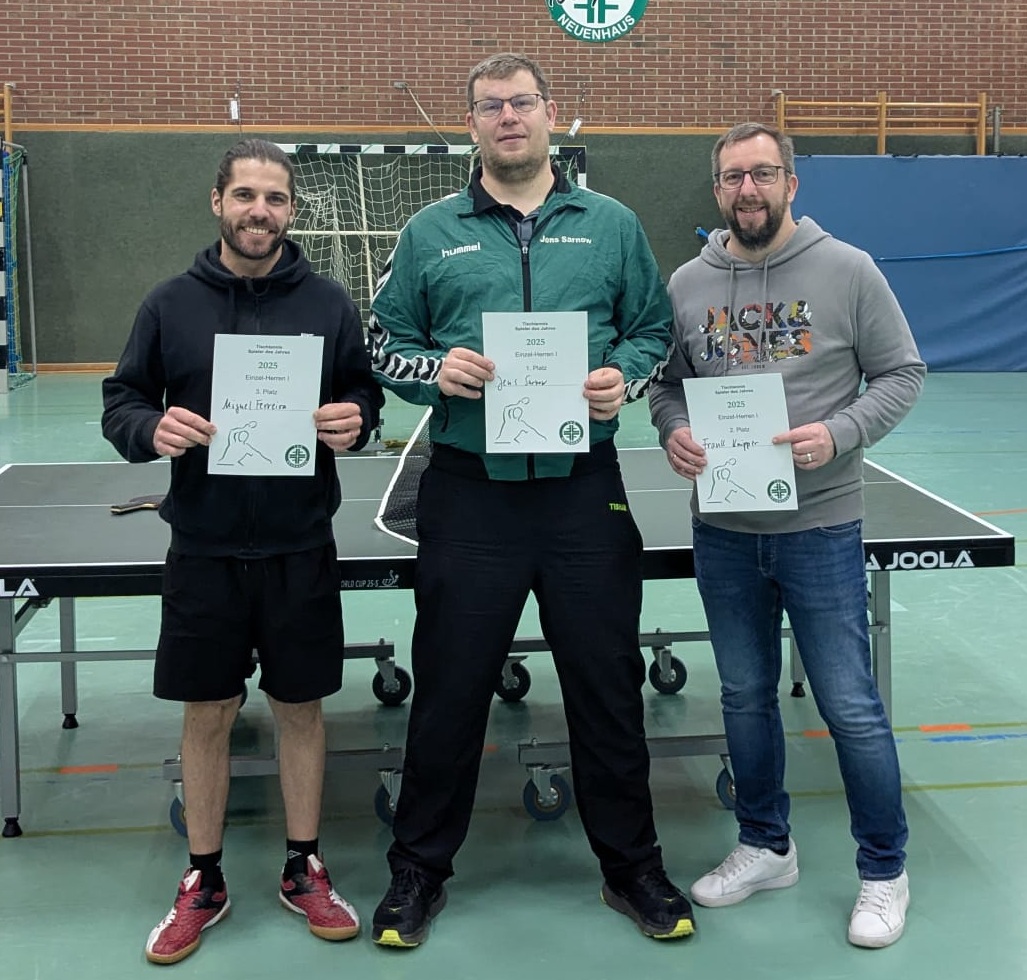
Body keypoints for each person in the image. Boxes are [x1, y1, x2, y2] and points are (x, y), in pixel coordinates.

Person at [366, 52, 694, 948]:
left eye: (521, 103)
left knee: (606, 687)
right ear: (471, 125)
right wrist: (435, 371)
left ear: (552, 114)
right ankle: (417, 872)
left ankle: (632, 869)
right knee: (447, 692)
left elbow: (652, 331)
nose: (507, 117)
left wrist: (621, 379)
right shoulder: (429, 232)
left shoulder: (612, 225)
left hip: (583, 496)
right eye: (489, 106)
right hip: (468, 496)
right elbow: (381, 343)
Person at [101, 139, 384, 965]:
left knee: (300, 708)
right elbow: (122, 400)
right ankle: (204, 878)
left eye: (275, 198)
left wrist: (357, 421)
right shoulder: (169, 304)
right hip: (205, 547)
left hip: (301, 544)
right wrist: (149, 428)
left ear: (291, 210)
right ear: (217, 202)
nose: (260, 211)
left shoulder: (328, 302)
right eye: (246, 195)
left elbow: (362, 393)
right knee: (208, 712)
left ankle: (304, 867)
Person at [648, 122, 925, 948]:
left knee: (849, 707)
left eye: (762, 174)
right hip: (723, 530)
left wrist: (838, 434)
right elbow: (666, 386)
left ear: (790, 183)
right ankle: (765, 844)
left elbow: (902, 372)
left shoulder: (849, 270)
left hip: (819, 527)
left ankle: (884, 870)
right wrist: (672, 430)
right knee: (743, 697)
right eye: (732, 177)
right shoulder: (687, 283)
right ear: (716, 189)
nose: (747, 189)